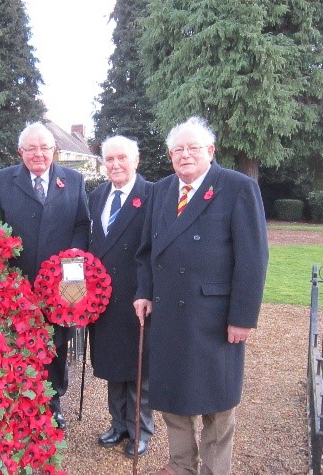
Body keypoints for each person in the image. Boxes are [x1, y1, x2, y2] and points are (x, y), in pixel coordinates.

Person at [133, 116, 268, 475]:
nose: (185, 155)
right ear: (169, 155)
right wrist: (144, 292)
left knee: (218, 403)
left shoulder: (237, 187)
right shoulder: (160, 190)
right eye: (178, 149)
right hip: (168, 315)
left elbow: (253, 258)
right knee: (172, 399)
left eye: (193, 148)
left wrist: (242, 316)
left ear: (210, 151)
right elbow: (145, 251)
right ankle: (181, 467)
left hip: (214, 317)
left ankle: (213, 470)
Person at [0, 121, 90, 430]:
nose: (38, 154)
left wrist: (71, 264)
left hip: (61, 284)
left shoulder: (74, 180)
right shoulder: (3, 180)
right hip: (16, 284)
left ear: (54, 150)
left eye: (45, 148)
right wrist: (1, 273)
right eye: (31, 148)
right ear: (20, 151)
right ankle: (20, 403)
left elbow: (82, 225)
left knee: (57, 344)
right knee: (18, 344)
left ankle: (53, 402)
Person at [88, 135, 154, 457]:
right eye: (109, 159)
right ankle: (118, 424)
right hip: (102, 298)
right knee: (112, 363)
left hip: (135, 296)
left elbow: (154, 251)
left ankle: (140, 429)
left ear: (135, 160)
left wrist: (147, 291)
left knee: (137, 366)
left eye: (121, 158)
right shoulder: (97, 195)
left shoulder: (151, 194)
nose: (115, 164)